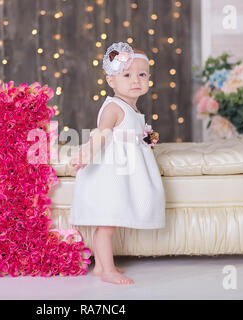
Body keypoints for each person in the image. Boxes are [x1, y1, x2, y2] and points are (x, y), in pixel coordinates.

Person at [68, 42, 166, 285]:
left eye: (142, 75)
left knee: (112, 220)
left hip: (125, 174)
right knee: (107, 224)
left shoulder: (131, 107)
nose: (136, 80)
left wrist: (145, 139)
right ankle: (107, 270)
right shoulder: (114, 106)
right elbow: (102, 133)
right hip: (111, 175)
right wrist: (87, 153)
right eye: (127, 74)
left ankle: (102, 267)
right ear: (111, 81)